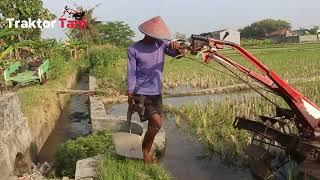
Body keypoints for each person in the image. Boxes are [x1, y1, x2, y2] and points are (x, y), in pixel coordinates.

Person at [127, 16, 183, 163]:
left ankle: (145, 151)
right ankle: (145, 153)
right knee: (157, 123)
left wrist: (179, 49)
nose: (157, 38)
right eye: (155, 35)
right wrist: (130, 93)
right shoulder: (134, 49)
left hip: (156, 92)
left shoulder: (161, 45)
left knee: (154, 125)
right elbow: (131, 73)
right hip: (141, 93)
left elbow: (177, 55)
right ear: (147, 33)